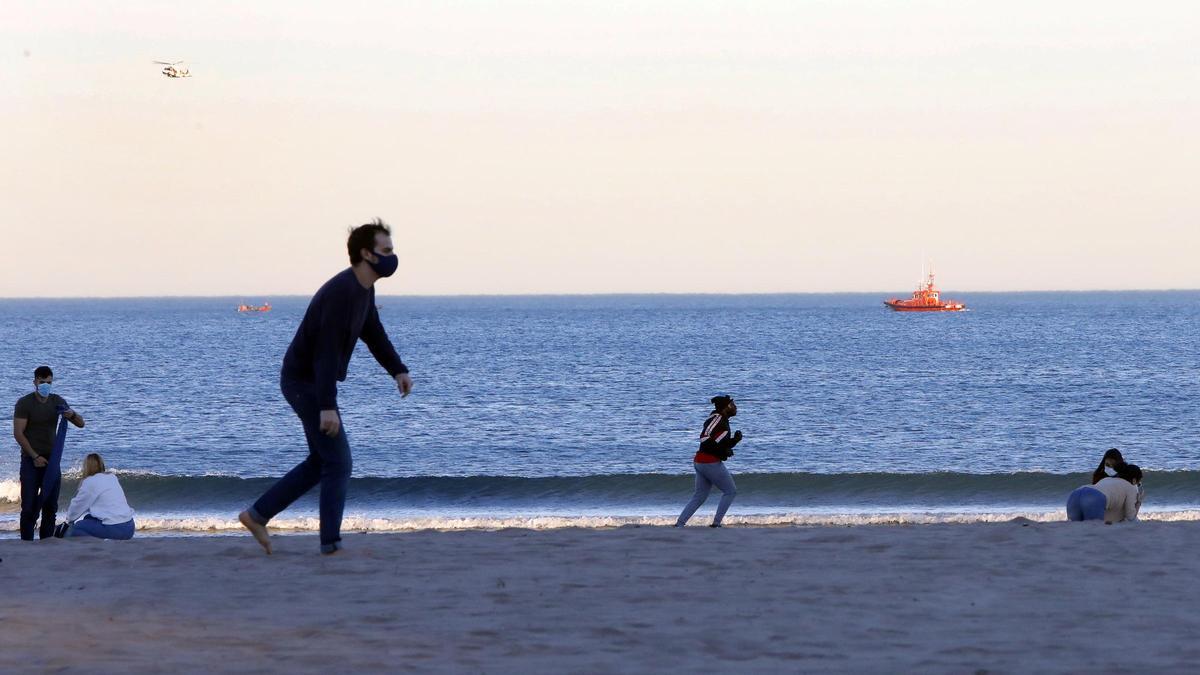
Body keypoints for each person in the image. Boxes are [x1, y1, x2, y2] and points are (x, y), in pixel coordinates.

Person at [239, 219, 414, 555]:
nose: (393, 257)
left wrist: (398, 370)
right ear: (367, 254)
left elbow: (373, 333)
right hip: (303, 382)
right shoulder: (341, 292)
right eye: (387, 250)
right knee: (339, 462)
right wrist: (326, 405)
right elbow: (326, 352)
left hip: (311, 382)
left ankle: (257, 515)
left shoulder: (363, 289)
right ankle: (330, 544)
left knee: (323, 461)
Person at [12, 365, 85, 540]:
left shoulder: (56, 401)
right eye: (42, 382)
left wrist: (71, 414)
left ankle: (47, 543)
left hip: (52, 462)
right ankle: (27, 543)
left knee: (50, 506)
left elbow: (81, 423)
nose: (46, 385)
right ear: (35, 382)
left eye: (49, 382)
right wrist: (34, 456)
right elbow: (18, 433)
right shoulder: (25, 403)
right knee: (28, 506)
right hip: (31, 460)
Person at [675, 395, 742, 528]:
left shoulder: (722, 420)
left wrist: (734, 441)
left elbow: (719, 442)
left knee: (700, 496)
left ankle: (680, 524)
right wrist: (720, 451)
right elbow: (705, 437)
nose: (735, 407)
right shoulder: (718, 418)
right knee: (730, 491)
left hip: (701, 462)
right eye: (732, 404)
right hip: (709, 462)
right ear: (725, 407)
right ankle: (716, 524)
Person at [63, 453, 135, 540]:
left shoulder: (90, 482)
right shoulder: (112, 477)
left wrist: (69, 520)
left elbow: (76, 509)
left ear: (87, 467)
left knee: (76, 528)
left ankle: (98, 543)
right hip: (129, 527)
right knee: (88, 518)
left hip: (115, 529)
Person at [1067, 463, 1143, 523]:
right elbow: (1131, 517)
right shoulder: (1131, 487)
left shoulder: (1107, 479)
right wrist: (1139, 502)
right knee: (1093, 530)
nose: (1137, 486)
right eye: (1138, 483)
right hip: (1094, 498)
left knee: (1075, 528)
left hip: (1075, 494)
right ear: (1134, 480)